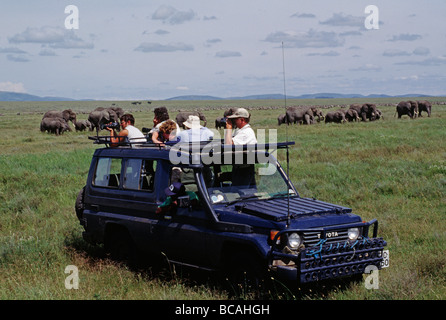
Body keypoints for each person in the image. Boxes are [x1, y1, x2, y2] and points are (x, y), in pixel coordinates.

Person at [223, 108, 257, 188]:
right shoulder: (240, 131)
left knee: (239, 194)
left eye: (235, 119)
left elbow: (228, 146)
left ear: (242, 120)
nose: (233, 121)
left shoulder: (245, 132)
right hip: (241, 167)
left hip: (243, 168)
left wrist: (229, 128)